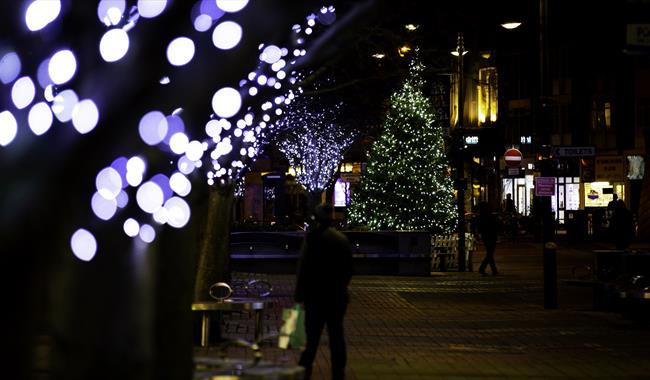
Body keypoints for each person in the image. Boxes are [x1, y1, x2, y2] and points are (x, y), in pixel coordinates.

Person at [294, 203, 353, 380]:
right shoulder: (341, 239)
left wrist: (299, 294)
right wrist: (341, 286)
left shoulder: (311, 239)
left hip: (315, 296)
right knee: (336, 335)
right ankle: (338, 372)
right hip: (336, 296)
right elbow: (348, 269)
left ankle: (305, 370)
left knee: (311, 337)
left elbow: (302, 267)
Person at [477, 201, 499, 276]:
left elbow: (480, 228)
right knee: (490, 253)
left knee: (490, 253)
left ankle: (492, 269)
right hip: (491, 236)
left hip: (486, 236)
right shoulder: (489, 216)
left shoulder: (481, 216)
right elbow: (494, 226)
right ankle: (483, 268)